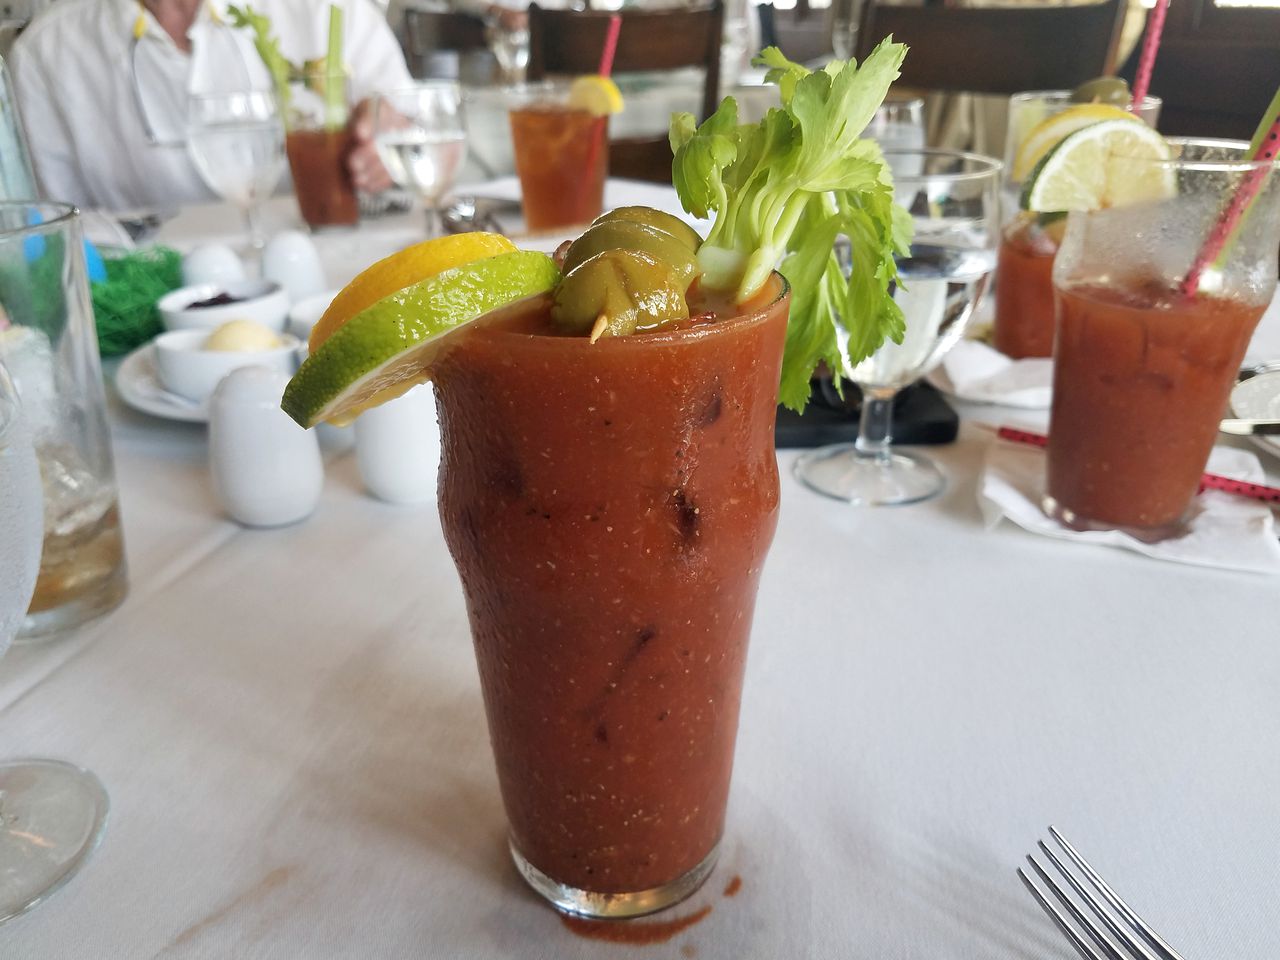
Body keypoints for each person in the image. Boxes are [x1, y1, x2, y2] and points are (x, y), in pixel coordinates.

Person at [9, 0, 412, 210]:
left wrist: (387, 143)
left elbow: (421, 133)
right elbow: (51, 232)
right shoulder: (48, 51)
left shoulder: (327, 10)